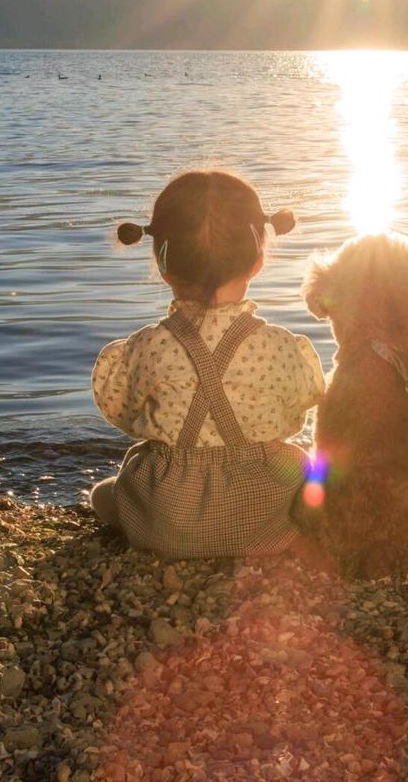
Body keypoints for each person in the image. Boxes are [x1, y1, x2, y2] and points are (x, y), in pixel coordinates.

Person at [90, 170, 324, 558]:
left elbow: (125, 415)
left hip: (168, 521)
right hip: (266, 516)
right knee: (313, 474)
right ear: (258, 260)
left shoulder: (146, 348)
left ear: (162, 263)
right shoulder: (281, 346)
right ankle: (275, 534)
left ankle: (164, 532)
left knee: (103, 494)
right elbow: (299, 409)